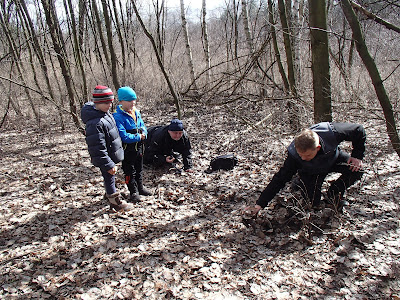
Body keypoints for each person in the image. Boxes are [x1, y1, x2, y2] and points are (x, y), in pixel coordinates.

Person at [244, 122, 366, 217]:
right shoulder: (295, 156)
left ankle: (333, 193)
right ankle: (299, 182)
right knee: (313, 203)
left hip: (333, 159)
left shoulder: (331, 132)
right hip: (310, 171)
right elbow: (279, 179)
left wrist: (357, 156)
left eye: (306, 155)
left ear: (317, 148)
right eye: (300, 154)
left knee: (357, 170)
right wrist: (260, 204)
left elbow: (359, 130)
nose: (302, 157)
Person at [80, 85, 133, 212]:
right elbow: (97, 148)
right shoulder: (95, 123)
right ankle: (115, 202)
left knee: (110, 178)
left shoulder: (105, 113)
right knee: (109, 176)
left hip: (111, 155)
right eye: (105, 103)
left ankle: (109, 193)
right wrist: (108, 164)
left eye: (110, 102)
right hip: (105, 158)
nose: (109, 105)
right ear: (97, 103)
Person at [113, 86, 152, 203]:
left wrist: (144, 132)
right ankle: (133, 191)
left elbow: (142, 126)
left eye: (134, 100)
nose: (133, 103)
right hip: (127, 149)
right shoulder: (118, 116)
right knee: (129, 171)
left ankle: (140, 188)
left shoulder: (136, 112)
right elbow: (123, 136)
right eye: (129, 100)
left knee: (139, 169)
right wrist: (138, 137)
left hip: (139, 147)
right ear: (121, 101)